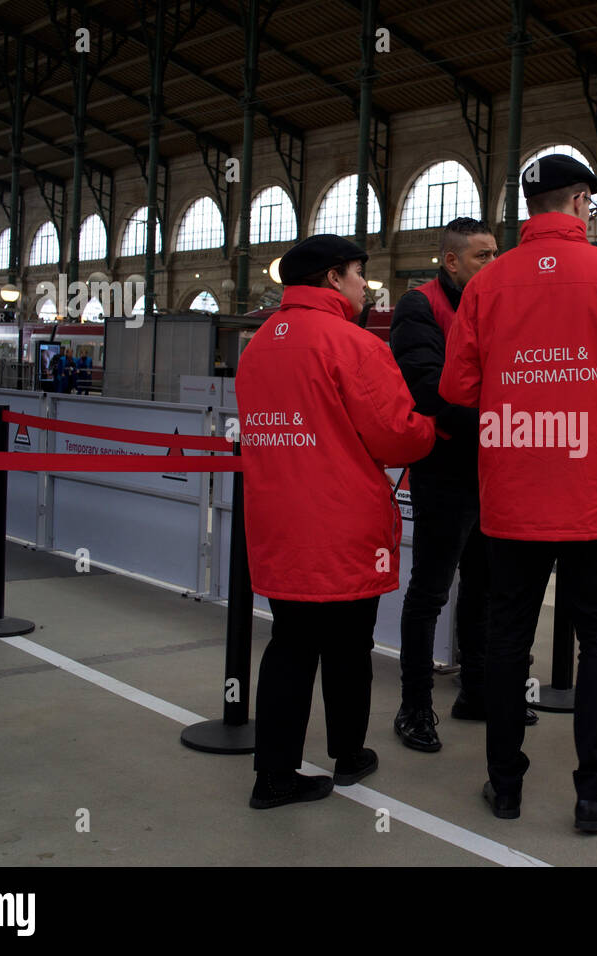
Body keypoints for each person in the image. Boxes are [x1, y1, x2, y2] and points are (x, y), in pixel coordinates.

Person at [440, 154, 597, 831]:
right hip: (592, 491)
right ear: (581, 202)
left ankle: (504, 786)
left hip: (512, 492)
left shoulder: (488, 283)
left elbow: (456, 389)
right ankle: (596, 794)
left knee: (508, 635)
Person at [235, 234, 436, 810]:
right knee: (349, 646)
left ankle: (272, 775)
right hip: (342, 524)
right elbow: (394, 433)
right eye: (357, 275)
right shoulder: (351, 343)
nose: (362, 287)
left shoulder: (259, 345)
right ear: (332, 278)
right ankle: (349, 755)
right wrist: (431, 428)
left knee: (289, 646)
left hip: (278, 524)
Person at [389, 217, 538, 753]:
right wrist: (505, 421)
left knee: (485, 587)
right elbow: (427, 391)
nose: (493, 264)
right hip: (447, 472)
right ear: (452, 261)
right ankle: (414, 707)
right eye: (482, 256)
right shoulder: (420, 307)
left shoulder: (498, 303)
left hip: (493, 470)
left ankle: (476, 692)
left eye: (497, 253)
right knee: (430, 590)